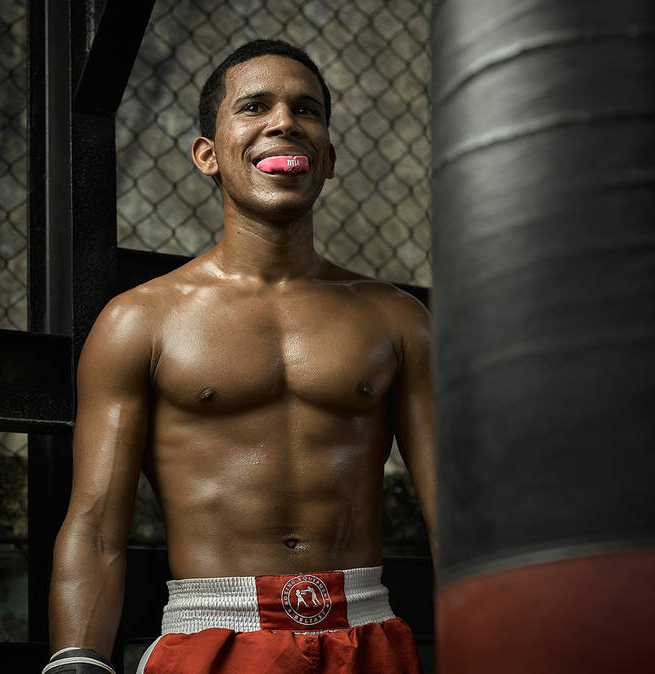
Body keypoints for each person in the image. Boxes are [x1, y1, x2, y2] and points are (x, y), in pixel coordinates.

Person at [46, 39, 436, 674]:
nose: (285, 122)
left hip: (366, 636)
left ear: (328, 157)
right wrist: (76, 666)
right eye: (255, 106)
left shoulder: (396, 318)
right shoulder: (140, 321)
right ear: (208, 154)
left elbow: (454, 513)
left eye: (306, 109)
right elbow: (94, 527)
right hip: (214, 634)